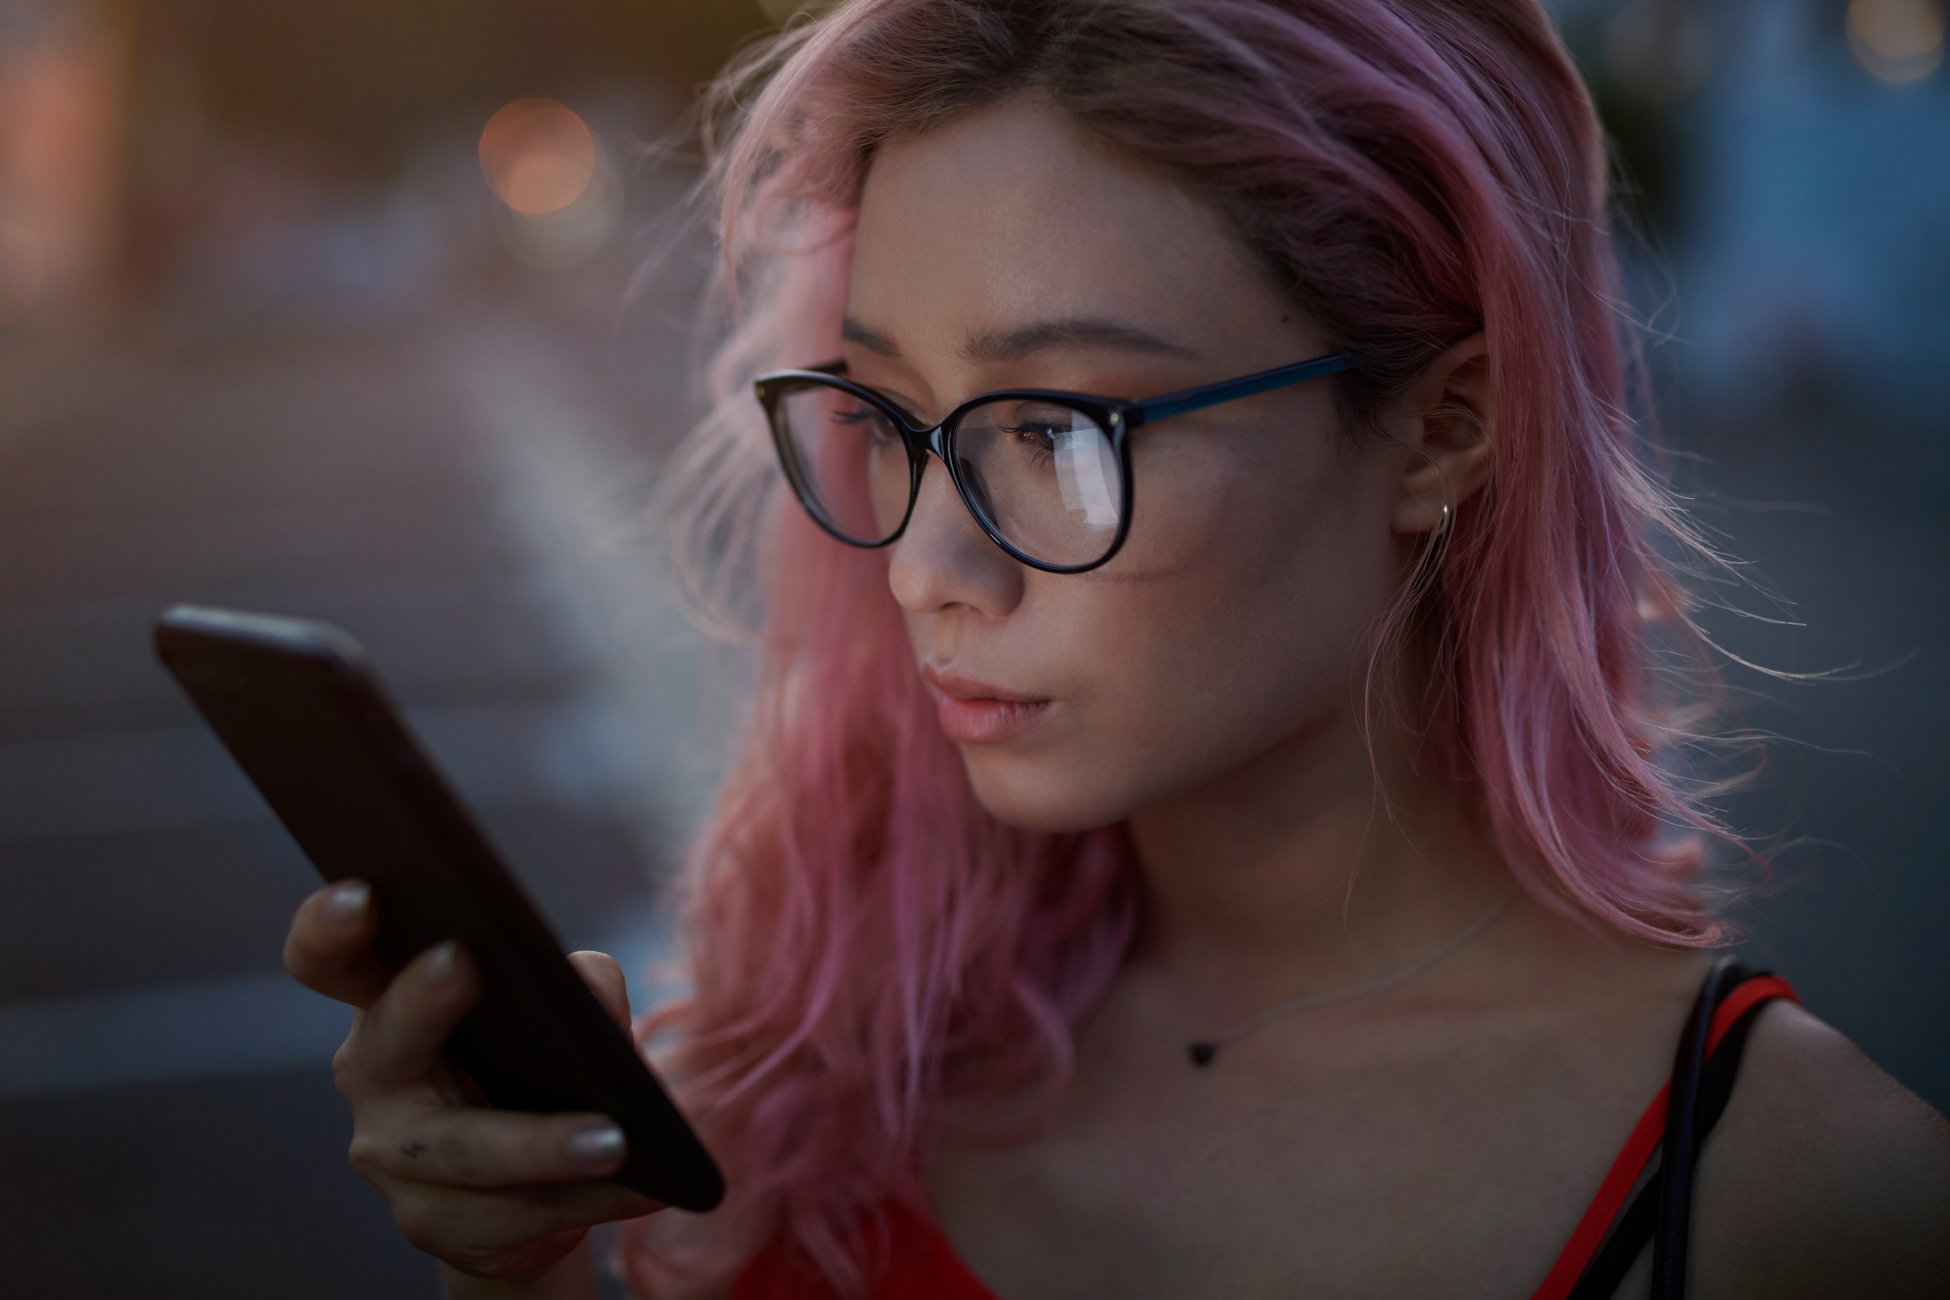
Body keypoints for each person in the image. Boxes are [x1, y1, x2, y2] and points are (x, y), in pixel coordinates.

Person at [281, 1, 1950, 1297]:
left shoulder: (1808, 1209)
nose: (926, 570)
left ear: (1450, 428)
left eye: (1059, 431)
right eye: (888, 415)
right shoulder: (828, 1057)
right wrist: (509, 1280)